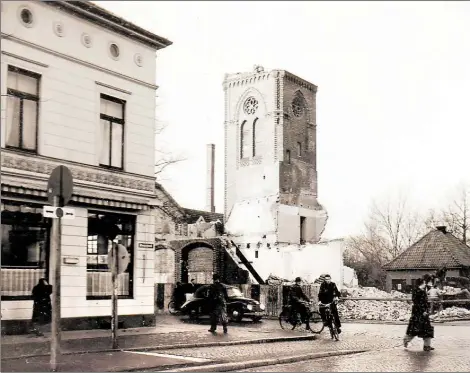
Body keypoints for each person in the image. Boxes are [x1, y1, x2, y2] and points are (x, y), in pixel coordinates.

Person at [404, 277, 435, 351]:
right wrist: (423, 311)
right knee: (415, 329)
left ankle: (427, 346)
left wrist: (426, 310)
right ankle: (406, 340)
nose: (425, 284)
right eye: (424, 283)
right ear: (421, 283)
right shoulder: (417, 291)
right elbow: (417, 303)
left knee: (427, 329)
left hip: (422, 313)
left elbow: (422, 303)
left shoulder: (421, 291)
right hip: (419, 314)